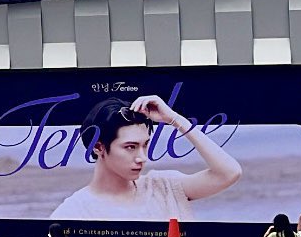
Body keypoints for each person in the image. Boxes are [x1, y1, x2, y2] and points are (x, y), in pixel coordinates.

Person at [48, 95, 243, 222]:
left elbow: (229, 173)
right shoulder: (73, 211)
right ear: (98, 147)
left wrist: (174, 119)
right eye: (130, 147)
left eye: (145, 145)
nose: (142, 158)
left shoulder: (164, 186)